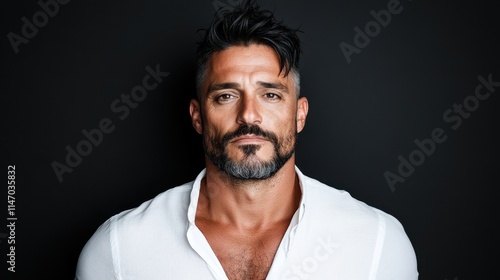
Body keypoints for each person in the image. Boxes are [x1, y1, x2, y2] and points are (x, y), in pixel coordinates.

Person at [75, 2, 418, 279]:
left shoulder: (377, 242)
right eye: (226, 96)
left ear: (300, 114)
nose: (249, 115)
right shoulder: (119, 249)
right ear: (197, 116)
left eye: (270, 95)